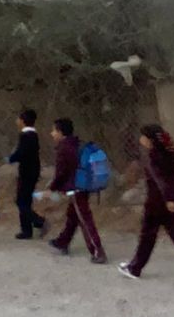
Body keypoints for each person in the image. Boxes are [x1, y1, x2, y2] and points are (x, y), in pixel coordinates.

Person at [118, 124, 174, 285]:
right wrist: (172, 199)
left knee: (148, 236)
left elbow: (160, 181)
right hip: (167, 201)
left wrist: (168, 199)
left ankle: (135, 268)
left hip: (156, 202)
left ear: (149, 139)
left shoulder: (154, 157)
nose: (141, 139)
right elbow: (171, 179)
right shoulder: (168, 154)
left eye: (143, 136)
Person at [46, 117, 106, 264]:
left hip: (76, 187)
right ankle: (63, 241)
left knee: (85, 219)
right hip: (82, 185)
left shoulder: (63, 148)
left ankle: (98, 251)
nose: (52, 133)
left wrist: (52, 188)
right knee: (73, 214)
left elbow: (62, 172)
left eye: (54, 130)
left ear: (60, 132)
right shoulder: (76, 143)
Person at [8, 109, 48, 240]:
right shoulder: (32, 135)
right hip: (32, 171)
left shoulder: (27, 135)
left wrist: (11, 158)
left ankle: (38, 221)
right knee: (25, 200)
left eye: (19, 118)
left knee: (21, 201)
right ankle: (26, 230)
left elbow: (22, 153)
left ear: (23, 121)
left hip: (27, 172)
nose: (17, 121)